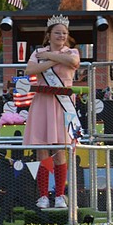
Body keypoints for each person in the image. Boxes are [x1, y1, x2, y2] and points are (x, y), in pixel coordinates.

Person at [22, 14, 80, 209]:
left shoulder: (72, 51)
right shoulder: (39, 51)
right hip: (42, 102)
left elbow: (73, 62)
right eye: (57, 33)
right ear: (49, 35)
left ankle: (60, 195)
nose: (61, 36)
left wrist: (47, 58)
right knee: (42, 150)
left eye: (64, 33)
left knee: (60, 149)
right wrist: (53, 59)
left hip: (62, 104)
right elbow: (29, 70)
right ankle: (44, 195)